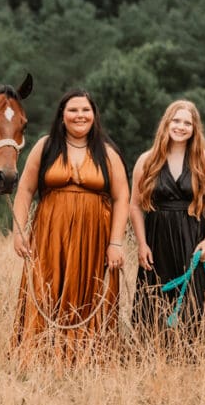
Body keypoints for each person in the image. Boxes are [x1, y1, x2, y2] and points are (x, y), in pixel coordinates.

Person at [11, 89, 130, 364]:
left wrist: (115, 242)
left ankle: (88, 359)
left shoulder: (107, 152)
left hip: (95, 237)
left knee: (90, 291)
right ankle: (41, 356)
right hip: (50, 234)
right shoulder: (46, 146)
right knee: (45, 289)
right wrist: (18, 231)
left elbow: (122, 197)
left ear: (94, 115)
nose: (80, 115)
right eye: (73, 110)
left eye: (85, 110)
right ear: (62, 116)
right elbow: (26, 190)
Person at [129, 100, 205, 349]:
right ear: (166, 123)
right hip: (156, 237)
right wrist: (141, 244)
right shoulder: (146, 160)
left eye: (187, 123)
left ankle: (195, 355)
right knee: (154, 298)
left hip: (192, 236)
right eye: (176, 121)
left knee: (195, 298)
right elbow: (135, 206)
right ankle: (151, 353)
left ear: (195, 128)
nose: (181, 127)